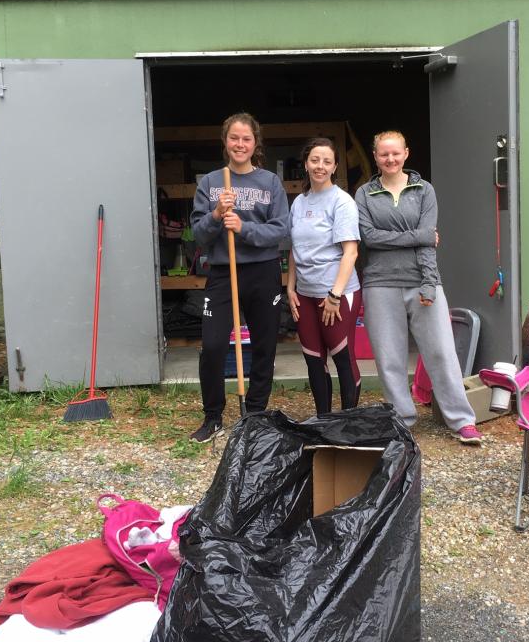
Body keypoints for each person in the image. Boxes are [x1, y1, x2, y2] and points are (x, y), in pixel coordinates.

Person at [354, 130, 481, 445]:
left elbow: (428, 245)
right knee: (389, 356)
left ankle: (462, 420)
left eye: (396, 153)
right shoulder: (364, 194)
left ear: (406, 153)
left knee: (441, 352)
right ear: (376, 157)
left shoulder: (424, 190)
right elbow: (370, 238)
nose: (390, 159)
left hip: (422, 280)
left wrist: (428, 282)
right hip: (379, 282)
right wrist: (418, 236)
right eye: (384, 154)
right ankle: (402, 418)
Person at [189, 112, 289, 441]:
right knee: (214, 345)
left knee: (264, 345)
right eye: (234, 138)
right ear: (225, 142)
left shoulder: (270, 182)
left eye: (246, 139)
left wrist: (243, 228)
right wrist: (217, 213)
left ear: (254, 143)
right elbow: (198, 236)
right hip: (222, 271)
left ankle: (256, 414)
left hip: (262, 271)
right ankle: (213, 417)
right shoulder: (211, 182)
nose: (240, 144)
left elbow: (280, 229)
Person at [286, 137, 361, 415]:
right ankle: (324, 420)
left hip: (337, 293)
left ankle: (348, 421)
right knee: (314, 359)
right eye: (315, 160)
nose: (320, 166)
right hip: (304, 294)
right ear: (305, 164)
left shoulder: (342, 202)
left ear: (334, 166)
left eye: (327, 161)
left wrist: (334, 295)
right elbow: (295, 249)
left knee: (342, 357)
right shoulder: (299, 203)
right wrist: (290, 287)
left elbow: (350, 253)